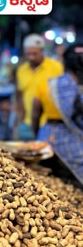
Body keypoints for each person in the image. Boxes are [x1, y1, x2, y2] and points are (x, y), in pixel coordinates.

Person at [32, 43, 83, 187]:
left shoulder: (49, 84)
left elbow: (35, 113)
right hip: (79, 151)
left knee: (53, 187)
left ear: (64, 62)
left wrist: (37, 135)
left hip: (50, 144)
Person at [15, 33, 63, 140]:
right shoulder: (21, 70)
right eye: (28, 54)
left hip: (48, 124)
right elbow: (20, 96)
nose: (31, 57)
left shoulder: (56, 67)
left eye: (34, 53)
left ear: (42, 51)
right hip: (27, 123)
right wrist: (19, 122)